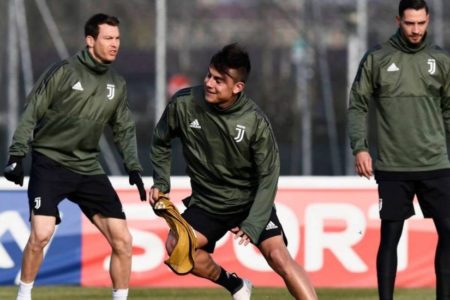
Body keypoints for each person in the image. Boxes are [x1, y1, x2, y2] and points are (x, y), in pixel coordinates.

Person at [149, 43, 317, 300]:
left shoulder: (254, 122)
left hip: (248, 203)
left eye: (219, 80)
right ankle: (235, 285)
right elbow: (161, 141)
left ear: (238, 87)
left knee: (278, 257)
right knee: (176, 247)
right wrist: (161, 181)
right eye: (208, 75)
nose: (209, 83)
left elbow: (269, 177)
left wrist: (253, 223)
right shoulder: (184, 104)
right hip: (207, 203)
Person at [3, 13, 146, 300]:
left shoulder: (117, 84)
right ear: (90, 40)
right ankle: (24, 295)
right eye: (108, 38)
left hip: (87, 167)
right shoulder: (64, 71)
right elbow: (32, 112)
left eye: (117, 38)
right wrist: (17, 154)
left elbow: (124, 128)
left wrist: (133, 167)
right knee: (41, 235)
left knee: (124, 241)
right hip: (50, 163)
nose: (115, 44)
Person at [348, 0, 450, 299]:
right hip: (393, 166)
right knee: (390, 236)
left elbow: (448, 110)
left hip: (436, 163)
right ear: (398, 20)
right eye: (409, 23)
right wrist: (360, 148)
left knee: (448, 233)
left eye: (420, 23)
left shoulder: (441, 60)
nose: (416, 29)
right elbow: (357, 106)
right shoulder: (377, 58)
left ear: (428, 20)